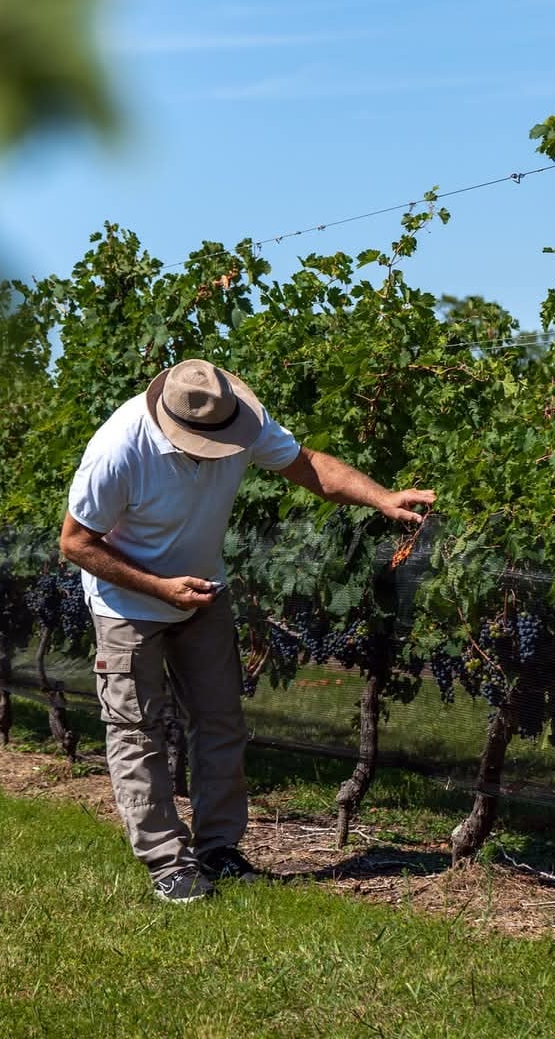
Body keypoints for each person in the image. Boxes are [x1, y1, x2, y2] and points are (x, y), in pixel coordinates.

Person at [60, 359, 434, 903]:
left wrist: (382, 497)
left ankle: (219, 849)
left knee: (220, 722)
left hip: (204, 592)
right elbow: (75, 544)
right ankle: (168, 863)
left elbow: (310, 467)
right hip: (127, 603)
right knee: (137, 729)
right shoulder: (119, 450)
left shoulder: (239, 420)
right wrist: (159, 588)